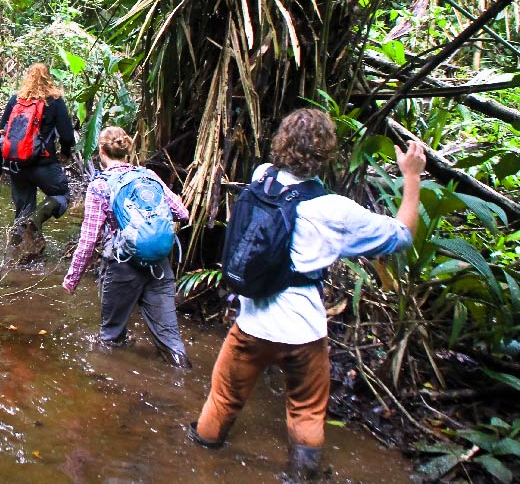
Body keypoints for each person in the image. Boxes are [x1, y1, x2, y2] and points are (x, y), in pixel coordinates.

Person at [188, 108, 426, 478]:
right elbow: (402, 235)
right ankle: (300, 476)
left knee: (222, 399)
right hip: (305, 332)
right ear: (327, 154)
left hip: (252, 326)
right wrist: (412, 178)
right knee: (306, 411)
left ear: (281, 143)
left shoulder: (260, 179)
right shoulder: (334, 210)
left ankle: (201, 460)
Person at [62, 126, 192, 368]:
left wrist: (72, 279)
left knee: (110, 338)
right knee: (171, 341)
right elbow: (182, 213)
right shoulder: (148, 176)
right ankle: (183, 384)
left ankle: (111, 388)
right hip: (159, 265)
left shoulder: (100, 186)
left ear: (101, 151)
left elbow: (89, 240)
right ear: (127, 150)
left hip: (123, 268)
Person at [0, 63, 75, 234]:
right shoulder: (54, 101)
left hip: (16, 166)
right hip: (44, 165)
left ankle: (17, 255)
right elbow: (67, 135)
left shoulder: (16, 100)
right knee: (62, 195)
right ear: (49, 78)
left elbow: (2, 135)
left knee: (22, 213)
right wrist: (65, 153)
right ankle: (37, 218)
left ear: (27, 78)